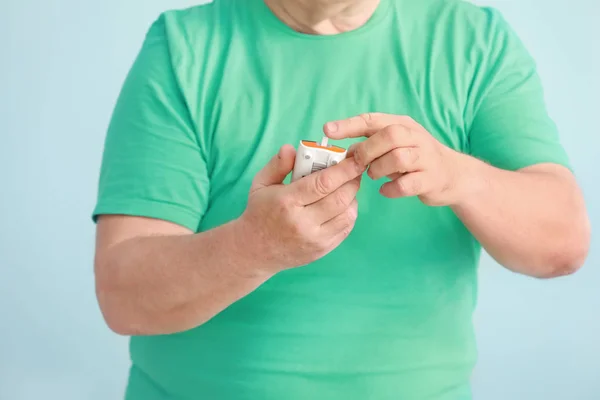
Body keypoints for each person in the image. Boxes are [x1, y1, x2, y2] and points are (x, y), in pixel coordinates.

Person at [92, 0, 591, 399]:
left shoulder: (474, 42)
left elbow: (563, 244)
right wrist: (253, 247)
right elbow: (124, 297)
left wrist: (457, 175)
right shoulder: (184, 48)